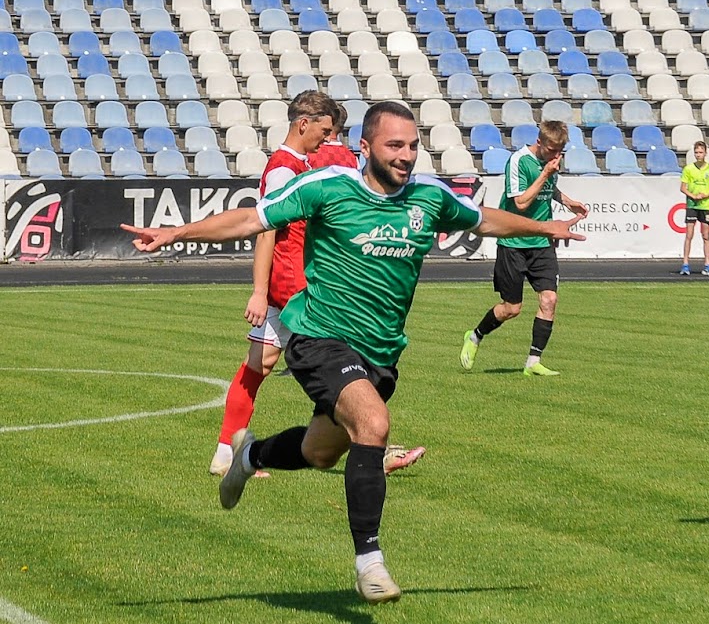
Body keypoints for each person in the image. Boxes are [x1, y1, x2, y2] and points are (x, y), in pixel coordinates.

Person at [122, 101, 586, 605]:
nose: (406, 155)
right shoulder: (327, 188)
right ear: (364, 148)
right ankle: (370, 562)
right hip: (318, 335)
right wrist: (175, 233)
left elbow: (486, 221)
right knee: (373, 423)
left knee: (319, 453)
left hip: (381, 352)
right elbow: (250, 221)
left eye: (412, 145)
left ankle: (248, 454)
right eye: (394, 145)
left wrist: (547, 228)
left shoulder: (430, 198)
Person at [208, 96, 426, 480]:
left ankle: (229, 452)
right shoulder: (282, 169)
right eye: (325, 132)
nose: (328, 140)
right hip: (297, 290)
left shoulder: (303, 165)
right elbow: (265, 230)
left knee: (263, 365)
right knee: (348, 364)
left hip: (299, 282)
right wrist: (259, 290)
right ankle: (372, 450)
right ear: (304, 125)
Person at [459, 120, 587, 377]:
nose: (555, 156)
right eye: (551, 150)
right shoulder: (518, 161)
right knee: (511, 308)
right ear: (539, 142)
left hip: (542, 242)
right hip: (514, 242)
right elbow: (520, 202)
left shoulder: (551, 162)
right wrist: (545, 173)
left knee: (549, 299)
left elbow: (547, 190)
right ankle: (475, 335)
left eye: (559, 151)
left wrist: (568, 201)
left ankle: (533, 362)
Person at [679, 141, 709, 276]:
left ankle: (707, 264)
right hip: (692, 204)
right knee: (689, 235)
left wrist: (704, 195)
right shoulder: (688, 169)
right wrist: (693, 196)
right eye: (696, 152)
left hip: (706, 205)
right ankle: (685, 264)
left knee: (706, 235)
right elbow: (683, 187)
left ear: (705, 153)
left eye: (701, 152)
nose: (698, 155)